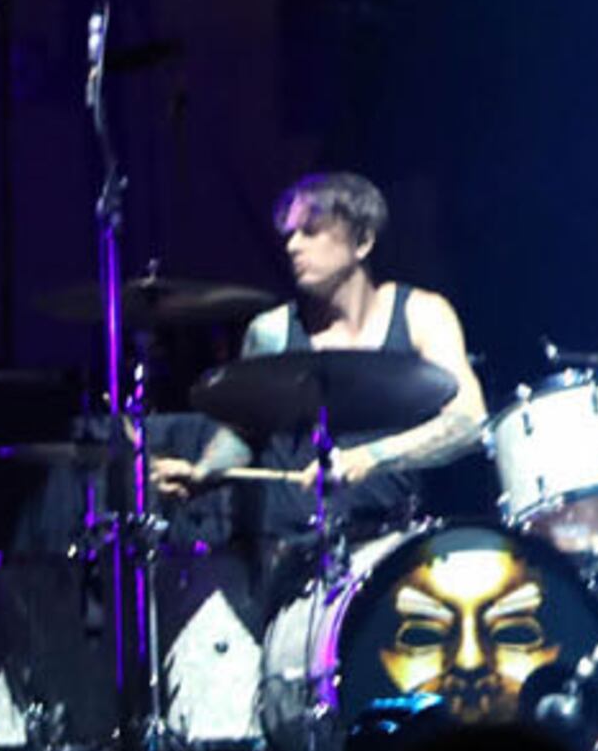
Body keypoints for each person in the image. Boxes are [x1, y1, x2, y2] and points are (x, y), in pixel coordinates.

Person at [151, 170, 487, 527]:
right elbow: (244, 432)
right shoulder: (271, 332)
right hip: (296, 548)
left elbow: (469, 421)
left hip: (392, 541)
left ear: (362, 242)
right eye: (290, 233)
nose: (292, 245)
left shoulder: (421, 313)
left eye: (310, 231)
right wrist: (204, 471)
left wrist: (368, 458)